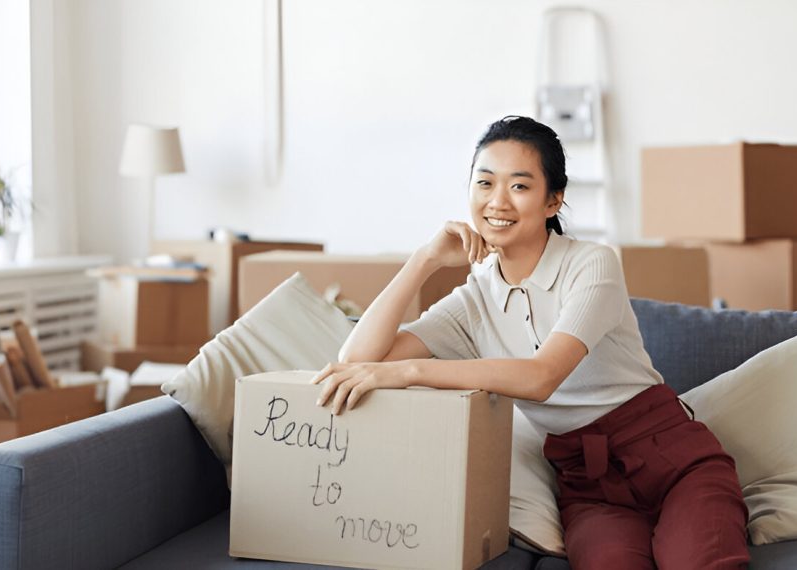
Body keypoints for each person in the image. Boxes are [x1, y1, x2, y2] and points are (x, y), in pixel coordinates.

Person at [310, 115, 749, 569]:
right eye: (484, 183)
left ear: (553, 201)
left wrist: (409, 372)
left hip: (673, 461)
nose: (497, 201)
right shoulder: (474, 299)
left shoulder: (592, 264)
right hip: (588, 486)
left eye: (519, 186)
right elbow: (357, 357)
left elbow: (542, 377)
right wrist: (424, 260)